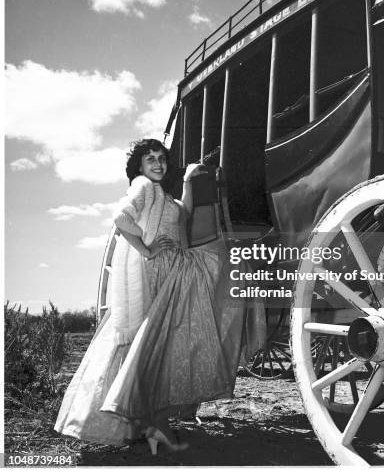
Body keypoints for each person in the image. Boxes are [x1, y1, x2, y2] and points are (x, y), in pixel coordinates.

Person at [54, 139, 265, 454]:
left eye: (161, 158)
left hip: (170, 271)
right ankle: (139, 423)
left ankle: (147, 426)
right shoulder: (144, 188)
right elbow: (121, 219)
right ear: (139, 166)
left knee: (154, 346)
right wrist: (147, 250)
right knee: (146, 342)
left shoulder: (163, 195)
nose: (157, 163)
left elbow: (186, 212)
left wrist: (188, 180)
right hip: (151, 272)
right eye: (149, 159)